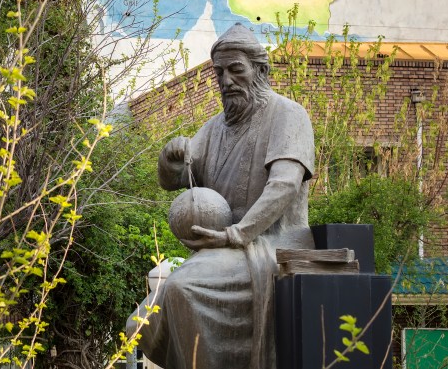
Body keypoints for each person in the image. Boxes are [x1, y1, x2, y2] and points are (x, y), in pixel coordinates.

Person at [127, 23, 315, 369]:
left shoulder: (288, 115)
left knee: (184, 289)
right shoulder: (214, 128)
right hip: (223, 250)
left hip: (272, 246)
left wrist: (238, 233)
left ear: (260, 70)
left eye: (236, 69)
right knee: (139, 323)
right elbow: (178, 179)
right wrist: (168, 161)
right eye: (219, 72)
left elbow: (284, 185)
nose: (226, 80)